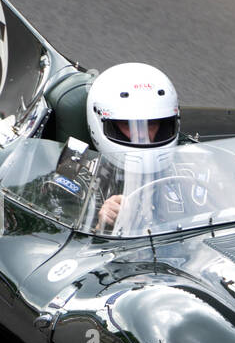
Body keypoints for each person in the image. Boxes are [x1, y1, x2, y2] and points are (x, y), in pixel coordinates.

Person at [85, 62, 204, 231]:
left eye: (152, 124)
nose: (142, 135)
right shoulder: (81, 176)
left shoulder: (190, 168)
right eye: (128, 125)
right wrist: (101, 225)